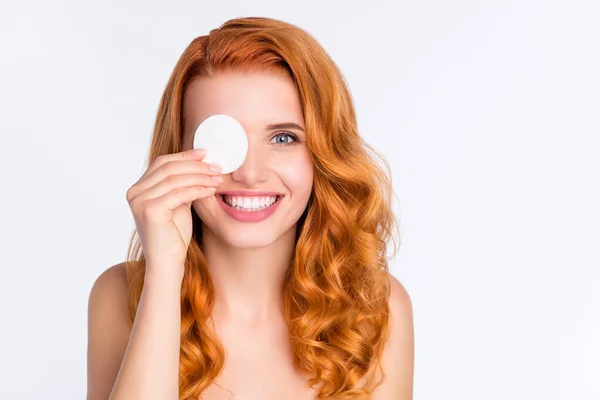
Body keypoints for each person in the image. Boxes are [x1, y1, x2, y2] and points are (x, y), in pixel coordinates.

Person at [87, 16, 414, 400]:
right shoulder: (121, 295)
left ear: (323, 154)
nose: (249, 173)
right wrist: (164, 273)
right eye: (222, 140)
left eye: (283, 137)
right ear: (176, 153)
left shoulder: (377, 308)